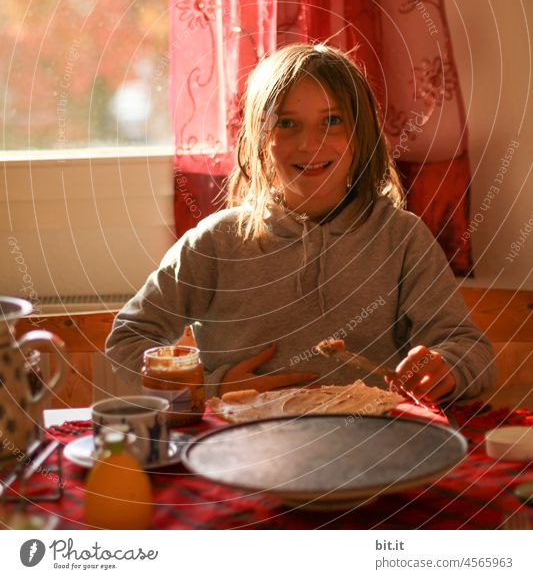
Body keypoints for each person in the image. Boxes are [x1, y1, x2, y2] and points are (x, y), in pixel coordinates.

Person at [106, 43, 495, 403]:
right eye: (288, 124)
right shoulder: (215, 243)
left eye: (332, 121)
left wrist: (447, 368)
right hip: (242, 452)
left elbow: (469, 350)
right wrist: (211, 385)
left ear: (362, 137)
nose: (309, 144)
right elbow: (128, 338)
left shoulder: (401, 238)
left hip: (372, 449)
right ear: (259, 139)